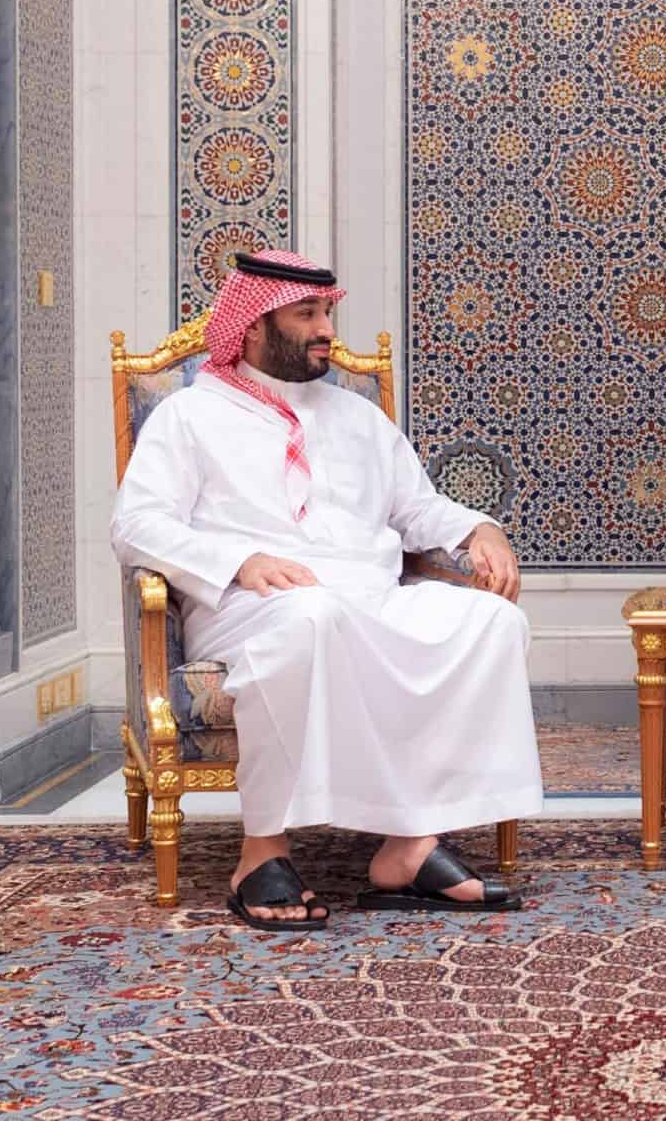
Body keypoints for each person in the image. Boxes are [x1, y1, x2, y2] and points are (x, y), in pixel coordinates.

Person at [110, 251, 543, 928]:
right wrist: (240, 560)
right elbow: (136, 525)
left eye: (327, 313)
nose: (325, 331)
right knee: (311, 618)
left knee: (492, 623)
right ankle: (261, 852)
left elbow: (415, 509)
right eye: (306, 315)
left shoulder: (357, 416)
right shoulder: (189, 417)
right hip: (251, 607)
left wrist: (479, 530)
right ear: (253, 326)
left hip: (369, 595)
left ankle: (410, 844)